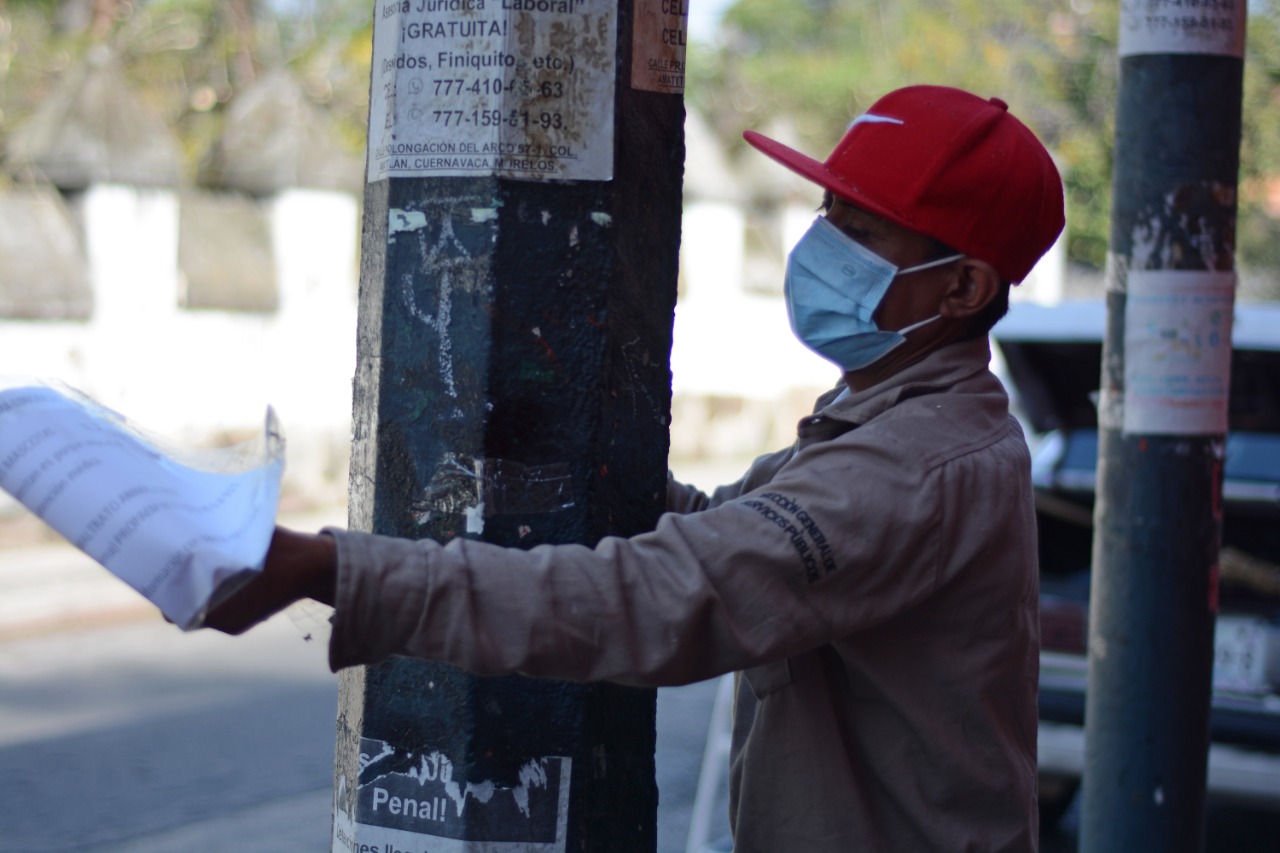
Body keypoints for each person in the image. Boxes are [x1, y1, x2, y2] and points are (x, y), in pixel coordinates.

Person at [205, 84, 1064, 851]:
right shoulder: (890, 421)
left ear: (962, 289)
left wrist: (329, 568)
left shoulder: (910, 466)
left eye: (860, 231)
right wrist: (570, 450)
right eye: (828, 211)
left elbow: (658, 596)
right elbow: (720, 529)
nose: (821, 244)